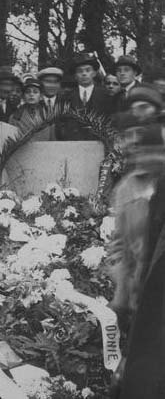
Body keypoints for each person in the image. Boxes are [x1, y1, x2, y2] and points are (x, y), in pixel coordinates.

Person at [107, 84, 165, 398]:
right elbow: (119, 245)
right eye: (128, 136)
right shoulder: (125, 189)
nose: (134, 143)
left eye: (140, 135)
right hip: (139, 297)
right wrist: (121, 292)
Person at [61, 52, 113, 140]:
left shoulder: (106, 95)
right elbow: (62, 124)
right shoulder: (66, 97)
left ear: (94, 73)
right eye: (80, 71)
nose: (84, 74)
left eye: (88, 70)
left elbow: (110, 121)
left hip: (100, 142)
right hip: (73, 143)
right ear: (75, 76)